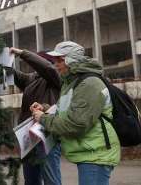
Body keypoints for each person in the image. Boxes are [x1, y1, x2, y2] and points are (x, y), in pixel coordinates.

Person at [32, 41, 120, 185]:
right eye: (55, 61)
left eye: (60, 60)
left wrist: (43, 119)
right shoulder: (71, 83)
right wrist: (46, 109)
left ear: (71, 59)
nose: (56, 65)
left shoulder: (89, 84)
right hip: (89, 153)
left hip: (96, 154)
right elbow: (66, 112)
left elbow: (76, 124)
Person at [9, 47, 62, 185]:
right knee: (31, 180)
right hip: (28, 137)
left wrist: (23, 54)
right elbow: (14, 74)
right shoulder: (32, 78)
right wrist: (2, 61)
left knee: (51, 180)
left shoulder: (56, 77)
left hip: (46, 136)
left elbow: (47, 68)